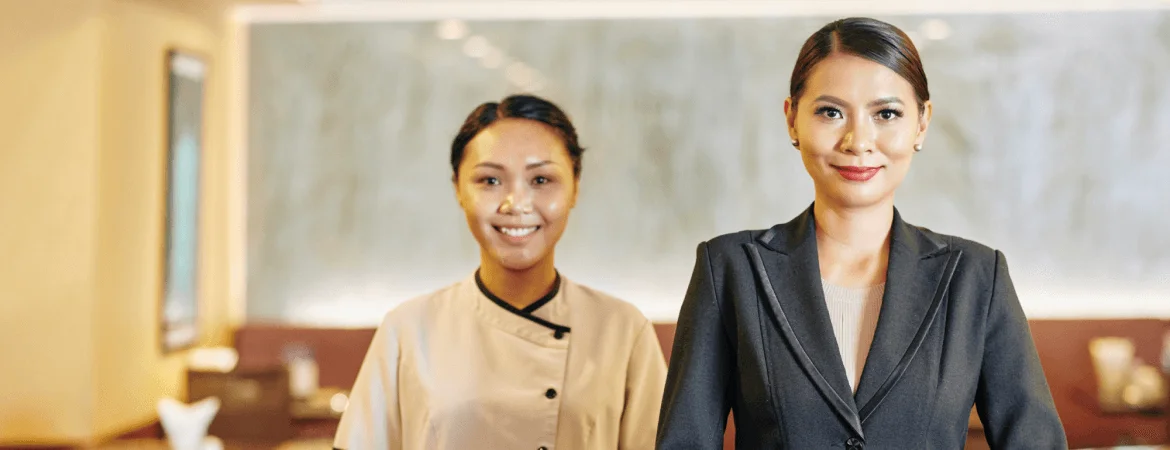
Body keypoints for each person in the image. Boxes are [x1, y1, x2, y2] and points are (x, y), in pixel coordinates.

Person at [656, 17, 1066, 450]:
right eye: (830, 112)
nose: (858, 140)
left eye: (886, 114)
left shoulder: (978, 277)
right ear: (792, 119)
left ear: (922, 123)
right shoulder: (730, 269)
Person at [333, 94, 667, 450]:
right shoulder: (407, 329)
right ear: (458, 189)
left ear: (575, 189)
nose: (516, 204)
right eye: (490, 181)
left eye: (541, 180)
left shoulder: (622, 329)